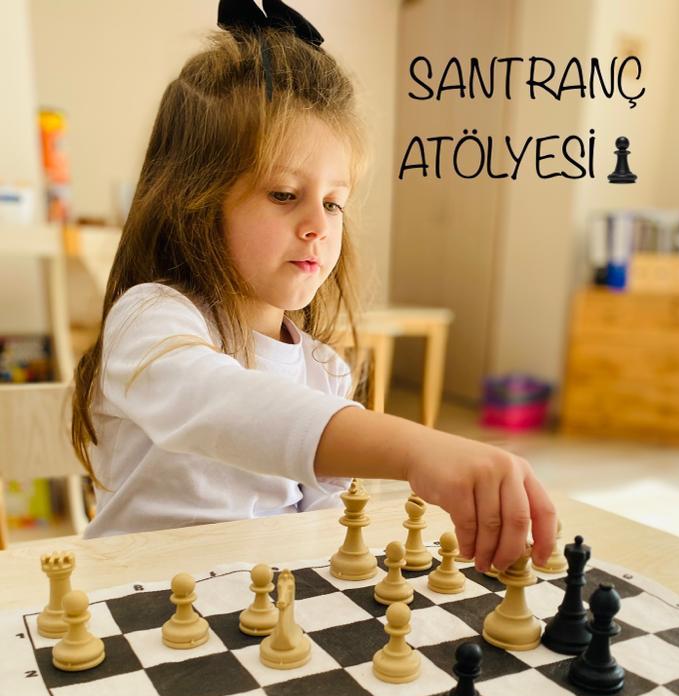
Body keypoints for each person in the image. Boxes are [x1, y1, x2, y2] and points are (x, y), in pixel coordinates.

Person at [71, 1, 557, 572]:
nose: (318, 226)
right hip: (136, 603)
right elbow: (217, 403)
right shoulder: (149, 318)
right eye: (284, 195)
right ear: (194, 200)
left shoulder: (325, 371)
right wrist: (415, 448)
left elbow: (322, 532)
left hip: (255, 607)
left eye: (333, 203)